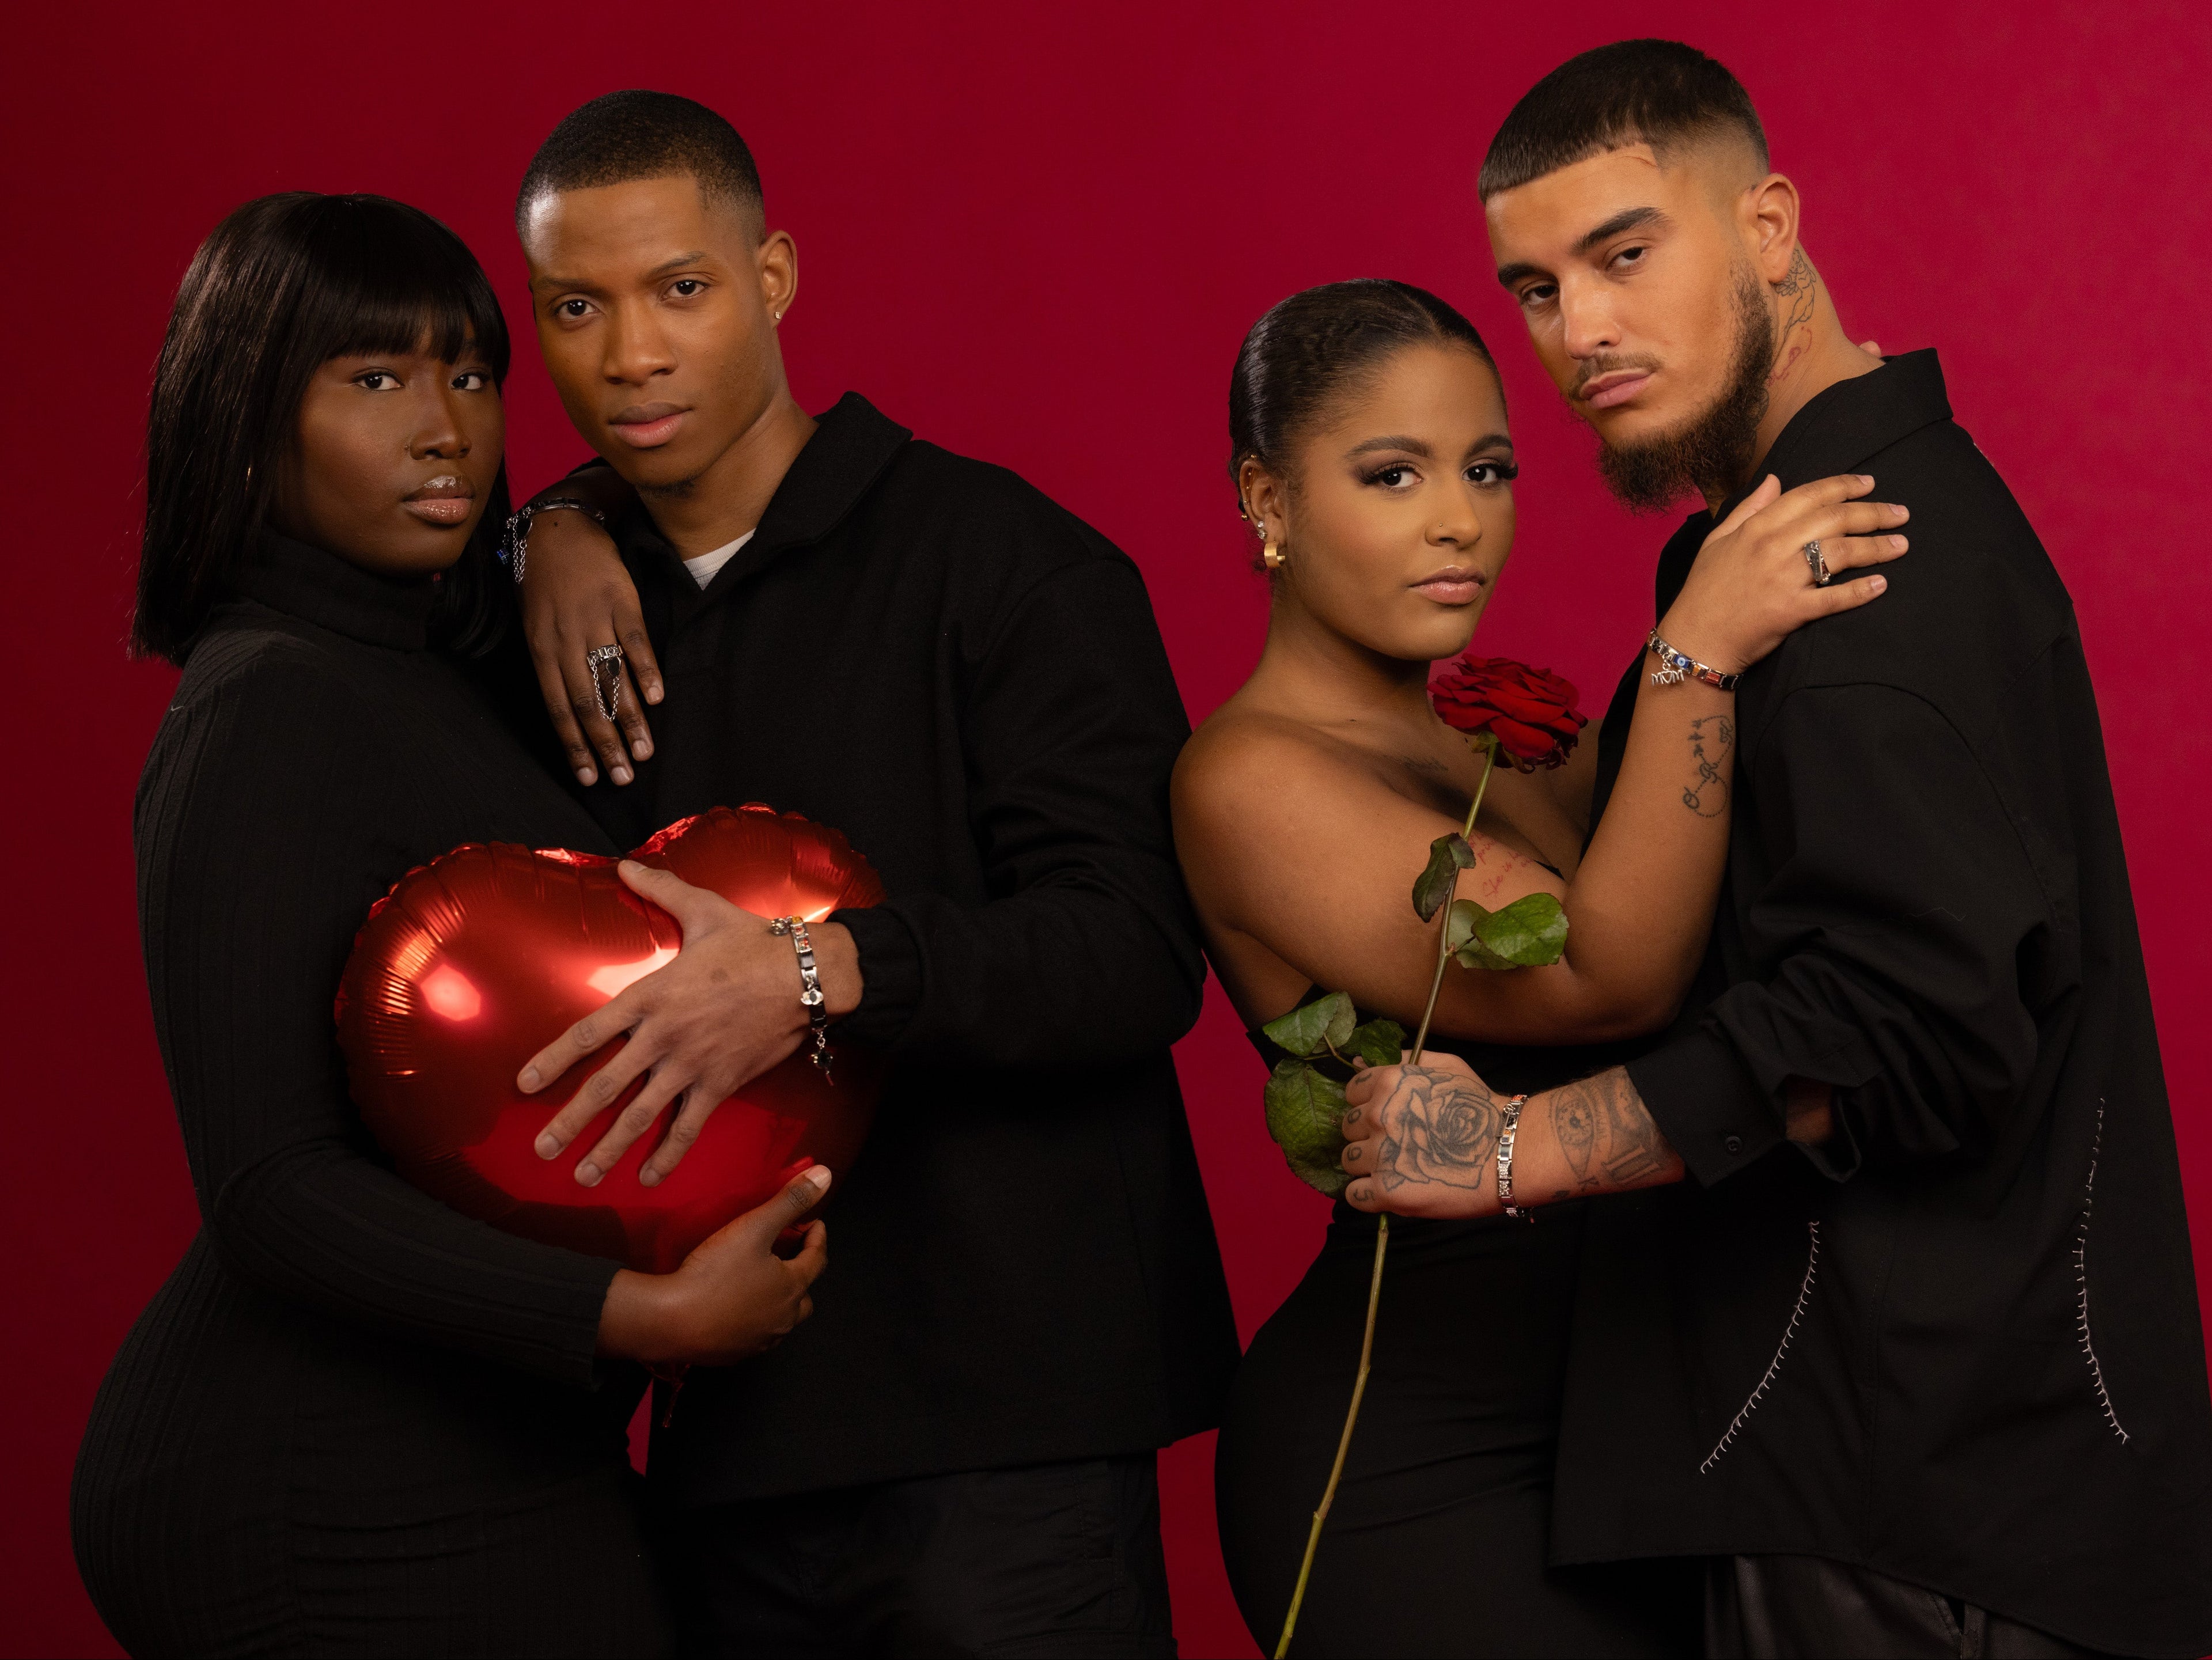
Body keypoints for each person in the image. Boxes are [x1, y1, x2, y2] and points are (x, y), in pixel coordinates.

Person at [1340, 40, 2212, 1659]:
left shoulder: (1863, 569)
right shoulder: (1780, 555)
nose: (1580, 331)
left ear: (1767, 225)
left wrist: (1516, 1149)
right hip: (1892, 1480)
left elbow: (1903, 1024)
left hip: (1914, 1497)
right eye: (1537, 289)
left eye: (1625, 253)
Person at [491, 92, 1238, 1655]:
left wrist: (817, 972)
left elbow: (1136, 948)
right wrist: (536, 531)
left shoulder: (1002, 560)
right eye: (576, 307)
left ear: (772, 278)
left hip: (1006, 1433)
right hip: (722, 1435)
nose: (631, 355)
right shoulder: (566, 614)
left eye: (681, 289)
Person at [71, 191, 835, 1659]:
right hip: (315, 1474)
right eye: (374, 379)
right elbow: (270, 1189)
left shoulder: (430, 662)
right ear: (248, 420)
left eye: (471, 375)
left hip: (491, 1445)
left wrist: (556, 524)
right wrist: (642, 1316)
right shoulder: (263, 704)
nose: (445, 430)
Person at [1174, 278, 1904, 1656]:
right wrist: (1696, 645)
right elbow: (1611, 978)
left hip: (1634, 1448)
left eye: (1490, 469)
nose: (1461, 519)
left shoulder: (1503, 749)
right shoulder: (1247, 777)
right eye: (1393, 474)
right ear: (1267, 500)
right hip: (1414, 1468)